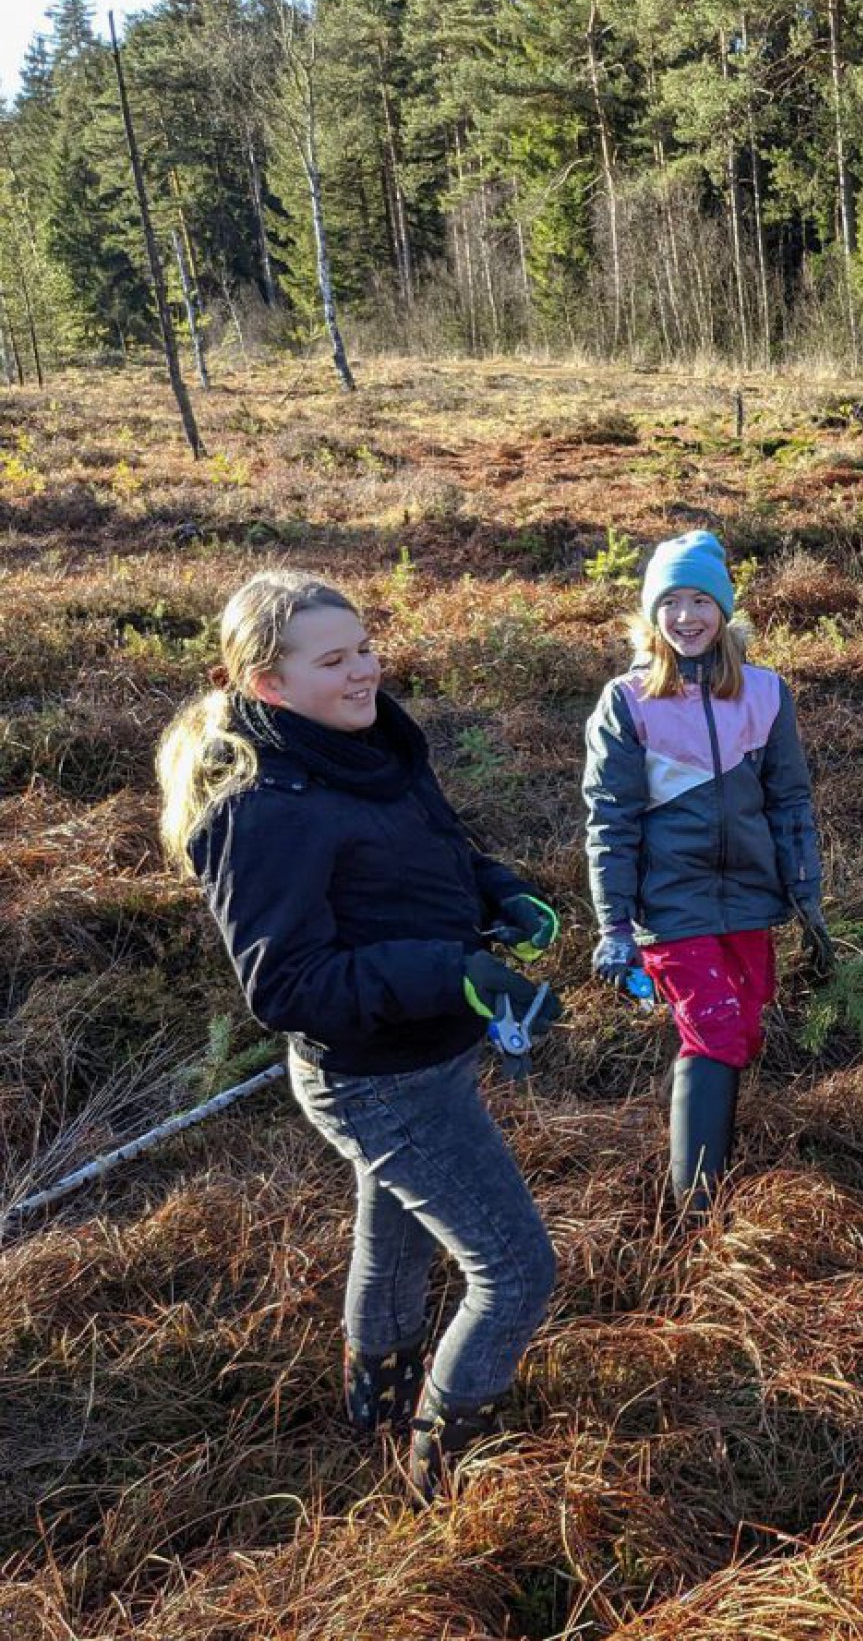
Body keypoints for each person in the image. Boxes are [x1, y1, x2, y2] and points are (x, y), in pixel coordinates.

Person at [155, 571, 561, 1503]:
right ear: (267, 683)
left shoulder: (370, 747)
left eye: (365, 648)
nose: (363, 670)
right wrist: (448, 972)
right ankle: (443, 1480)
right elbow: (285, 985)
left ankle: (375, 1415)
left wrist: (500, 892)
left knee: (396, 1237)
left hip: (426, 1053)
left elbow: (437, 850)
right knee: (516, 1272)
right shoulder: (263, 806)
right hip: (378, 1080)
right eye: (334, 660)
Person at [582, 531, 832, 1214]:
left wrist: (805, 892)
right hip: (670, 905)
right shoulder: (628, 702)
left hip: (750, 897)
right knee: (715, 1029)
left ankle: (698, 1143)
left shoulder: (766, 693)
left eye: (700, 600)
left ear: (723, 610)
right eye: (670, 602)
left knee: (741, 1029)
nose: (686, 616)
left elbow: (789, 801)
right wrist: (614, 925)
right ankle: (697, 1211)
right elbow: (610, 821)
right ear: (651, 613)